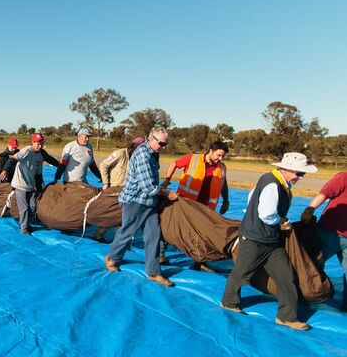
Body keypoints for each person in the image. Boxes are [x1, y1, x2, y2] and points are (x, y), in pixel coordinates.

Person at [220, 152, 317, 331]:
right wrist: (281, 221)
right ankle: (229, 302)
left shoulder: (275, 181)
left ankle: (287, 317)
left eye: (303, 174)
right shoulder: (273, 184)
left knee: (286, 275)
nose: (301, 178)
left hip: (271, 241)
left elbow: (252, 197)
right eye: (299, 173)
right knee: (242, 273)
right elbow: (265, 214)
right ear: (287, 169)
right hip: (256, 239)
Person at [103, 127, 178, 287]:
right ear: (151, 138)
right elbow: (148, 187)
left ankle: (153, 272)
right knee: (127, 232)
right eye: (161, 144)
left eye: (165, 144)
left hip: (149, 202)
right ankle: (112, 258)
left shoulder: (153, 153)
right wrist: (167, 193)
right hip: (135, 201)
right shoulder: (143, 154)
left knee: (153, 236)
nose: (163, 147)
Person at [160, 141, 230, 272]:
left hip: (206, 207)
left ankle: (200, 262)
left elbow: (223, 183)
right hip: (186, 203)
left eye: (222, 156)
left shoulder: (222, 167)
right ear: (211, 150)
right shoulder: (193, 159)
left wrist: (226, 200)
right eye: (218, 155)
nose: (220, 159)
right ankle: (160, 254)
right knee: (172, 226)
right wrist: (167, 180)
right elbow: (175, 163)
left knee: (203, 233)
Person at [301, 170, 347, 310]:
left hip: (336, 233)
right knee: (314, 264)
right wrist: (310, 209)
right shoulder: (344, 177)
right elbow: (325, 193)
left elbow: (325, 193)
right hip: (330, 231)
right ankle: (305, 294)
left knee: (313, 264)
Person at [0, 133, 46, 234]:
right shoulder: (26, 151)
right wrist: (5, 170)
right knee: (24, 207)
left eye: (41, 144)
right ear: (32, 142)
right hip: (20, 184)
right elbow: (12, 159)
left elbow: (38, 175)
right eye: (37, 143)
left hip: (30, 185)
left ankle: (25, 222)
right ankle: (24, 229)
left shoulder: (40, 157)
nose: (39, 146)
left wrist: (39, 189)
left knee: (33, 206)